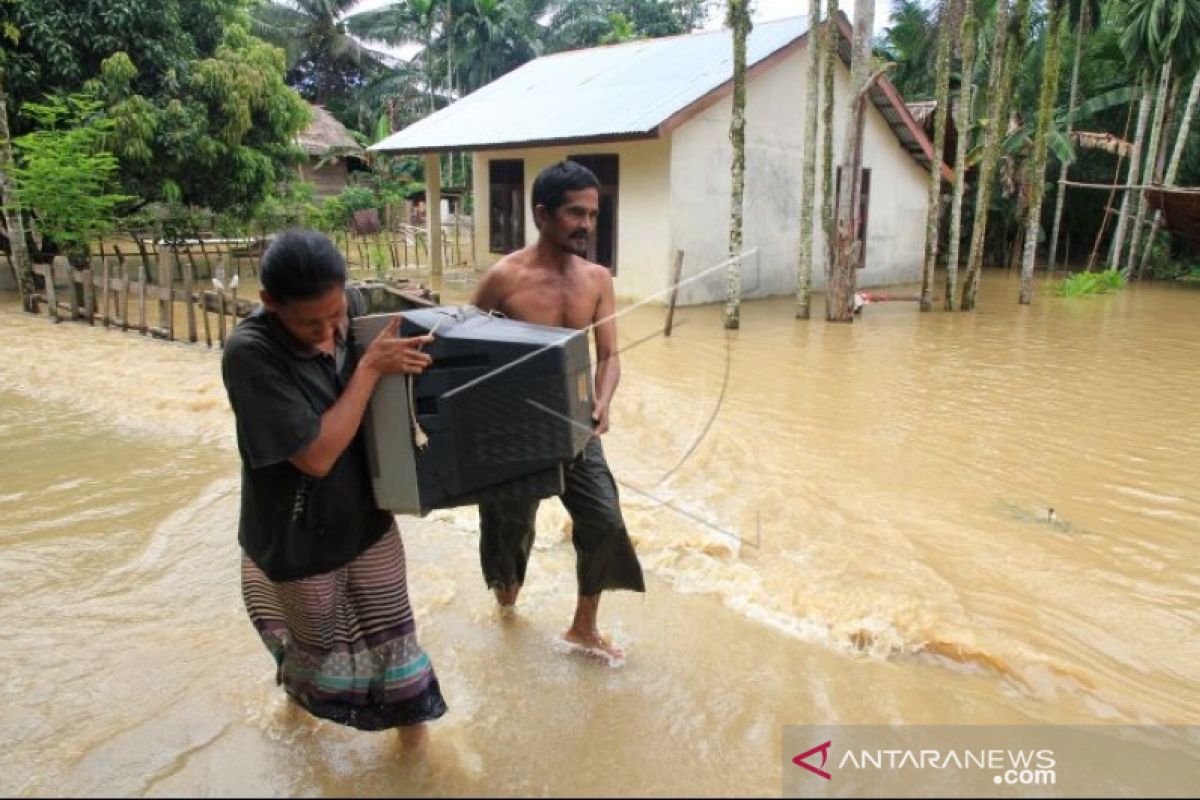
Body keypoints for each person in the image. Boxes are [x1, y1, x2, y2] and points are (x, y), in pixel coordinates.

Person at [221, 229, 446, 742]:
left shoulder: (351, 306)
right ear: (269, 304)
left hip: (364, 519)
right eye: (310, 323)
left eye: (336, 315)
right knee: (315, 656)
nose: (328, 332)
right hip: (296, 536)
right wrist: (368, 369)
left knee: (400, 647)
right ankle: (298, 728)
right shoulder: (249, 354)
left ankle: (416, 766)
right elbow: (317, 455)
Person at [470, 160, 645, 664]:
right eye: (575, 213)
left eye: (593, 214)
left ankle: (583, 627)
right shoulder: (503, 280)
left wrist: (603, 401)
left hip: (577, 427)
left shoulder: (597, 279)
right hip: (513, 434)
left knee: (605, 521)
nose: (587, 225)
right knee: (508, 531)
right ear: (542, 214)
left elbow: (609, 355)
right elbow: (461, 351)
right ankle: (507, 613)